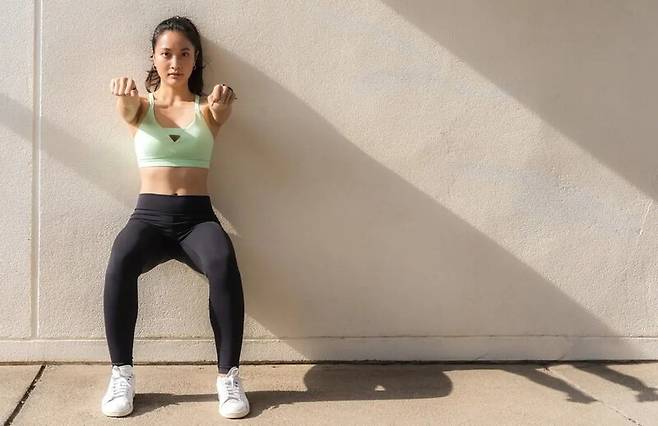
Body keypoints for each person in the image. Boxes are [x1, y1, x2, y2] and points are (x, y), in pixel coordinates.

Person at [100, 15, 249, 419]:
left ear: (196, 59)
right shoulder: (138, 106)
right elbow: (126, 104)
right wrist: (122, 91)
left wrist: (223, 101)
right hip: (149, 218)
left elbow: (221, 110)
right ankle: (121, 374)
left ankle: (229, 378)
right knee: (121, 259)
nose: (175, 62)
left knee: (222, 262)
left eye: (184, 53)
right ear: (153, 57)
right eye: (166, 53)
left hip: (197, 220)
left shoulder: (209, 108)